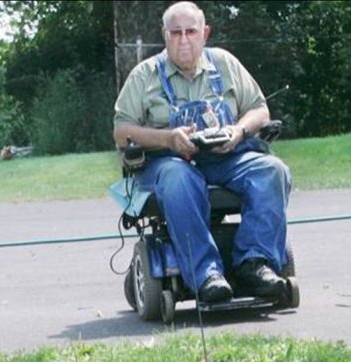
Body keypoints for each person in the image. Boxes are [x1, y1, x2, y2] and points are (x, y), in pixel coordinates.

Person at [113, 1, 291, 303]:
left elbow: (259, 110)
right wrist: (169, 139)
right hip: (167, 160)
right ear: (164, 35)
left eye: (191, 31)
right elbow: (121, 132)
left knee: (273, 170)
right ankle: (206, 274)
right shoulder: (145, 75)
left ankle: (254, 264)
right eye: (176, 33)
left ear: (204, 33)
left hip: (226, 156)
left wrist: (239, 132)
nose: (184, 39)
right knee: (180, 179)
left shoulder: (224, 63)